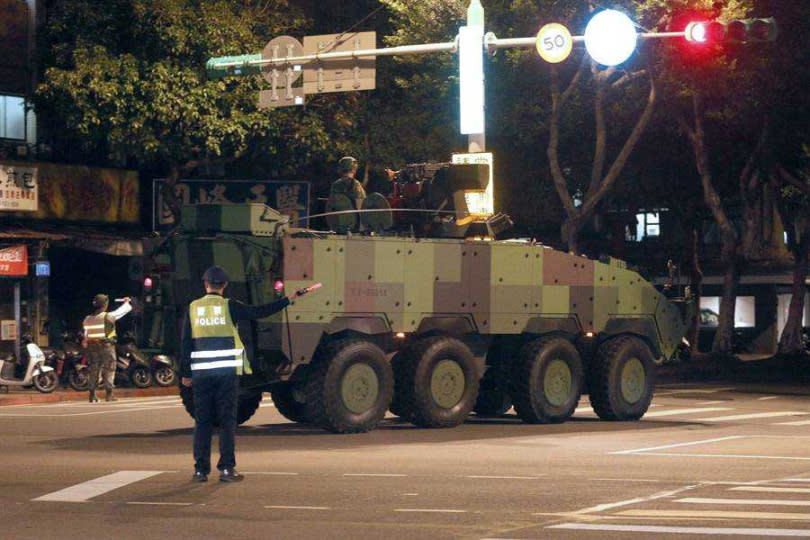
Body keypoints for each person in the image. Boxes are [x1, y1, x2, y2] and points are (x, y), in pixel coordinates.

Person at [180, 266, 319, 483]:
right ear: (224, 285)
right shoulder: (230, 306)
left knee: (203, 422)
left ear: (205, 284)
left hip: (202, 374)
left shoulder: (193, 307)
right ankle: (226, 469)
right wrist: (288, 299)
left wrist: (185, 373)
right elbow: (259, 312)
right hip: (226, 373)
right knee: (226, 421)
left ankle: (200, 470)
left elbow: (185, 342)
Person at [82, 295, 132, 403]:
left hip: (92, 347)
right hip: (106, 346)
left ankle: (92, 395)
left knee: (94, 369)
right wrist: (127, 303)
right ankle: (109, 395)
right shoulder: (107, 316)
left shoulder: (87, 319)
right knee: (109, 368)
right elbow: (121, 311)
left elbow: (85, 335)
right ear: (105, 305)